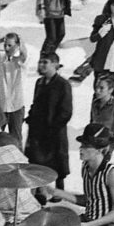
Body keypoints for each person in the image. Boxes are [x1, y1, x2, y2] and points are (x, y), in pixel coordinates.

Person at [25, 52, 72, 189]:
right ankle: (39, 190)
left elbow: (66, 111)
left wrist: (53, 128)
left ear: (55, 64)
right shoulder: (39, 82)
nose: (41, 65)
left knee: (57, 161)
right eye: (40, 62)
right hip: (37, 130)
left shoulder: (63, 85)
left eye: (45, 62)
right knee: (36, 162)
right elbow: (36, 103)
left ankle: (59, 190)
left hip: (54, 131)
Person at [89, 0, 114, 89]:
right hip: (103, 57)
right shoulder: (102, 19)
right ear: (109, 6)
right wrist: (101, 32)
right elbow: (92, 38)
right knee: (99, 89)